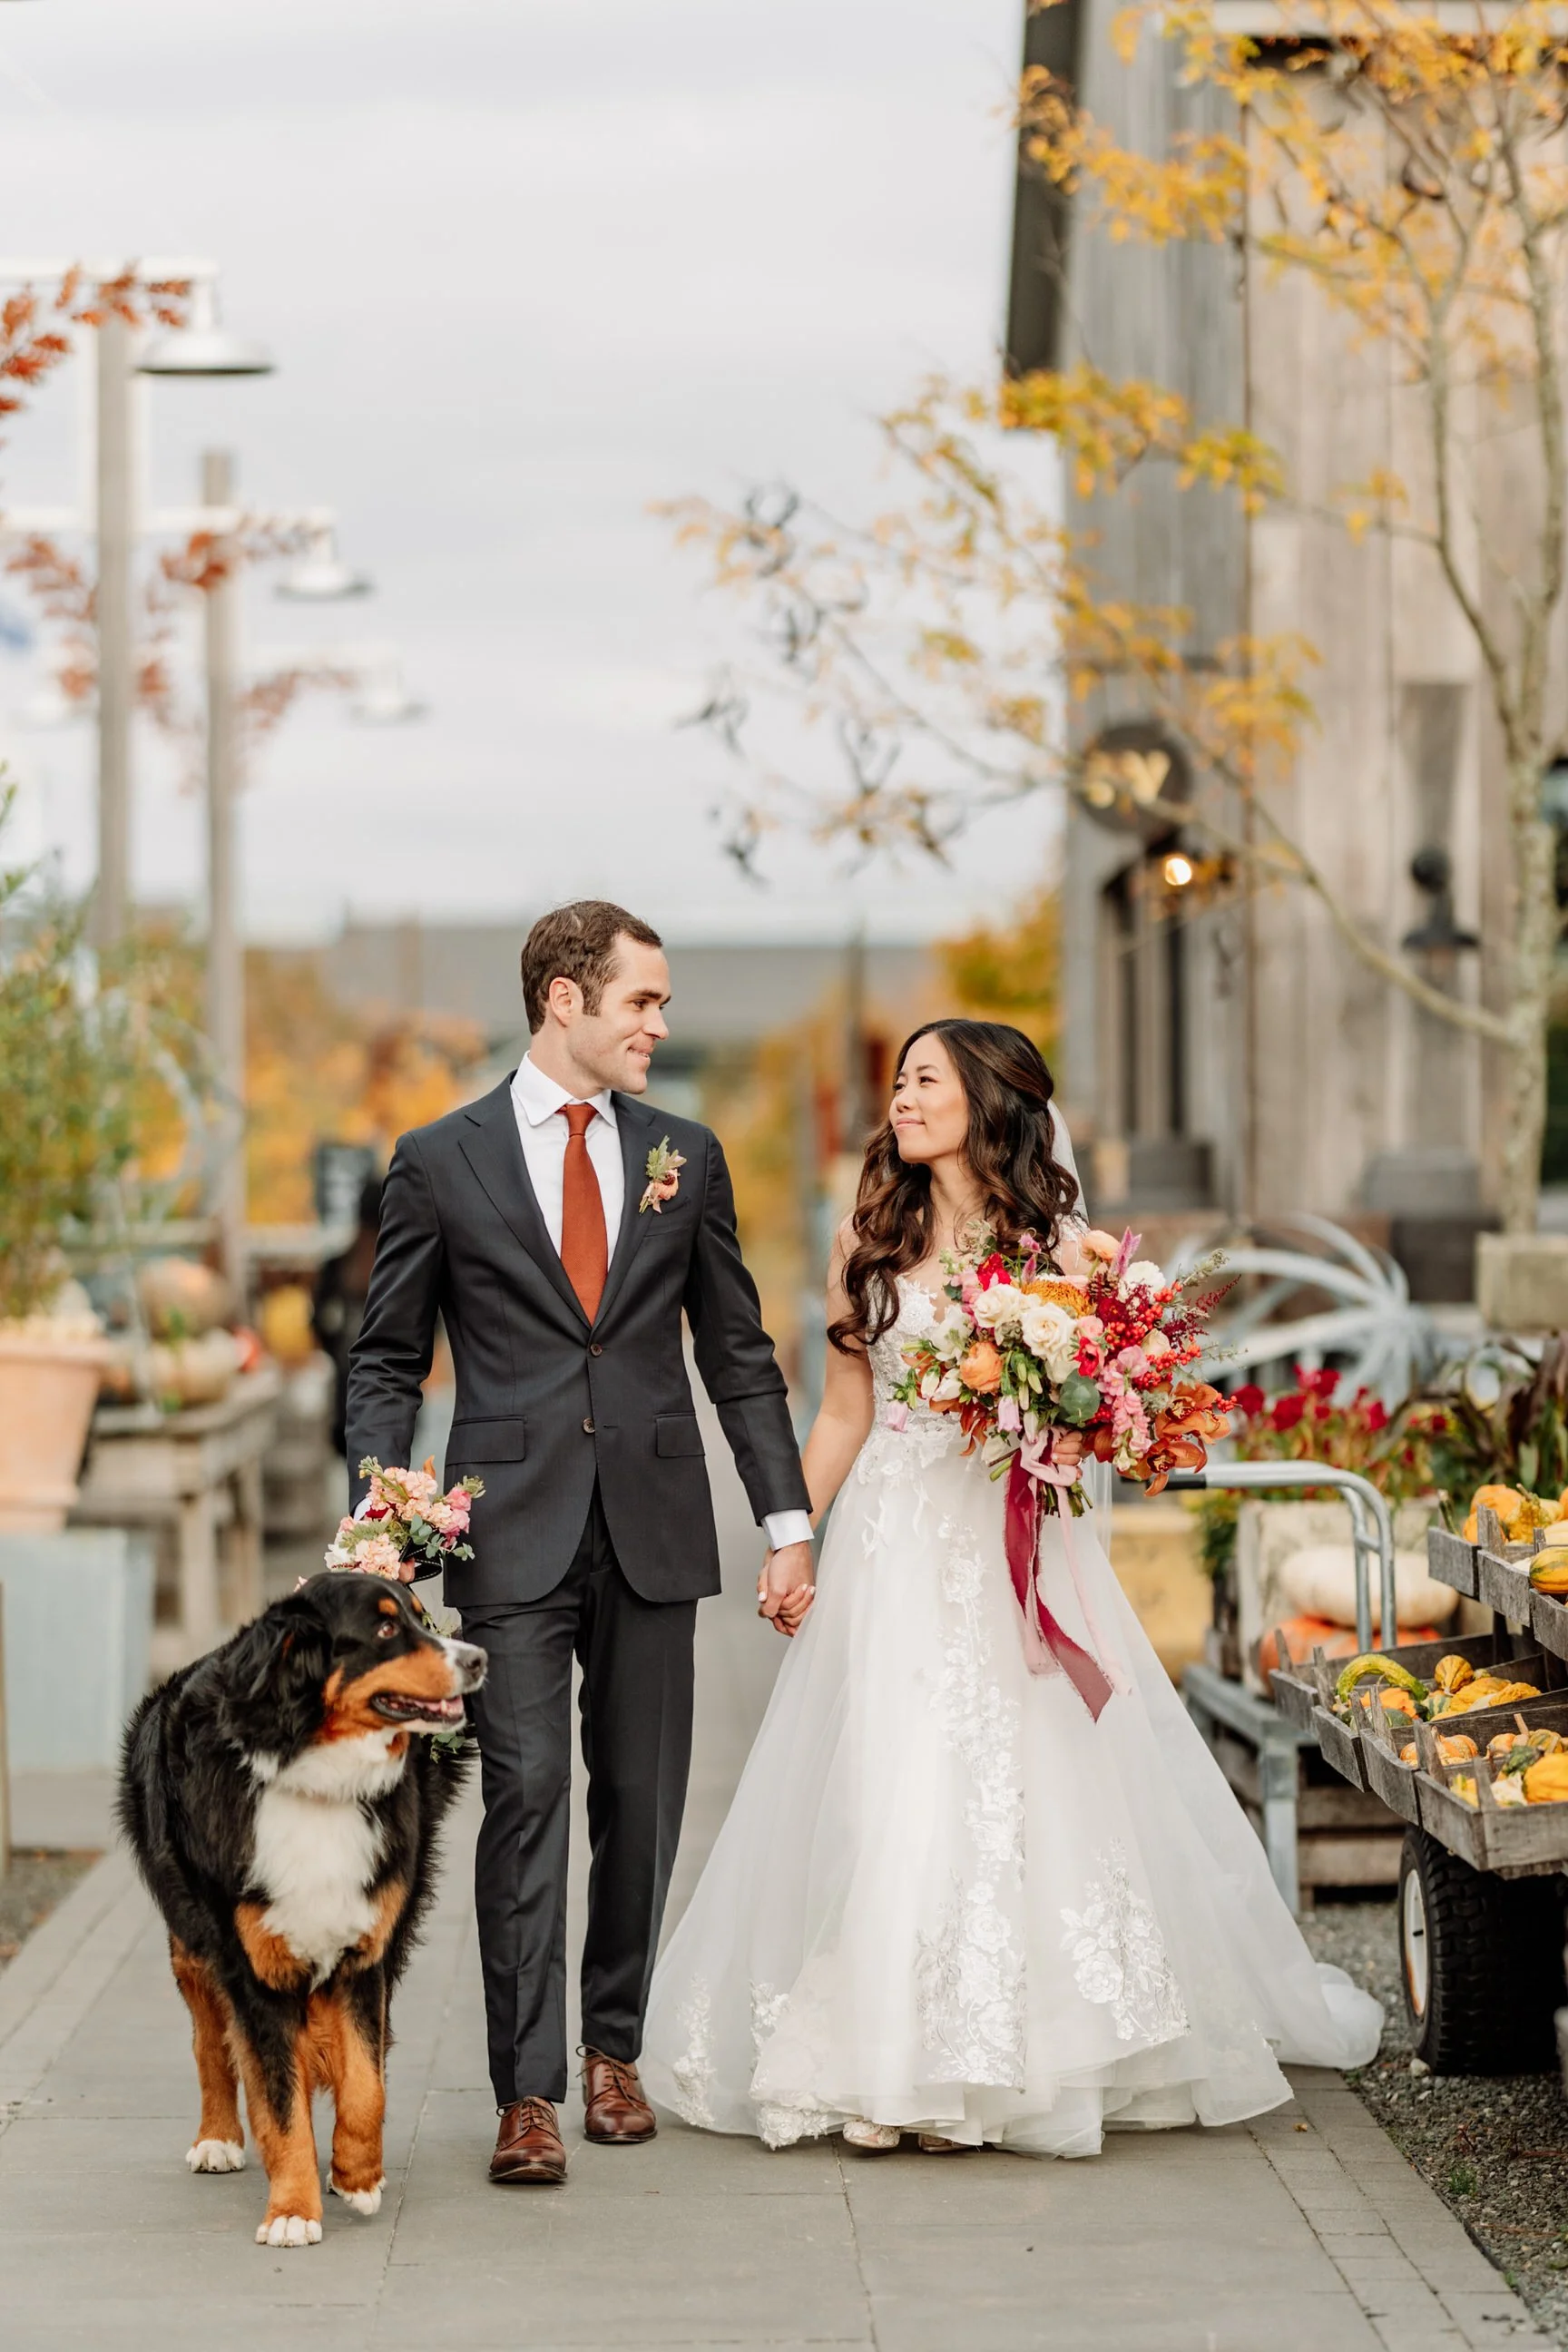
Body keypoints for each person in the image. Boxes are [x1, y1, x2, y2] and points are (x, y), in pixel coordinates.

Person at [641, 1019, 1381, 2157]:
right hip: (895, 1540)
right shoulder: (869, 1239)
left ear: (988, 1099)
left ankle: (995, 2056)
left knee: (1017, 1783)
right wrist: (794, 1539)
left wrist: (1069, 1414)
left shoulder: (1058, 1252)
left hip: (1012, 1544)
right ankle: (891, 2060)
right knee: (889, 1784)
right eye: (898, 1080)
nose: (902, 1097)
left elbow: (1100, 1412)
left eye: (925, 1079)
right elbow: (843, 1411)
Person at [346, 901, 814, 2187]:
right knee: (529, 1799)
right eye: (643, 1002)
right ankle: (526, 2094)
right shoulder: (441, 1159)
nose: (660, 1025)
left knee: (643, 1803)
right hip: (507, 1534)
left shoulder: (687, 1154)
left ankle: (616, 2050)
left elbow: (736, 1353)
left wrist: (788, 1523)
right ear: (565, 996)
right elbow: (387, 1356)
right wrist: (383, 1514)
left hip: (656, 1526)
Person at [312, 1171, 383, 1459]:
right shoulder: (336, 1269)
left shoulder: (402, 1275)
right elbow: (318, 1324)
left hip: (392, 1403)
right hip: (345, 1404)